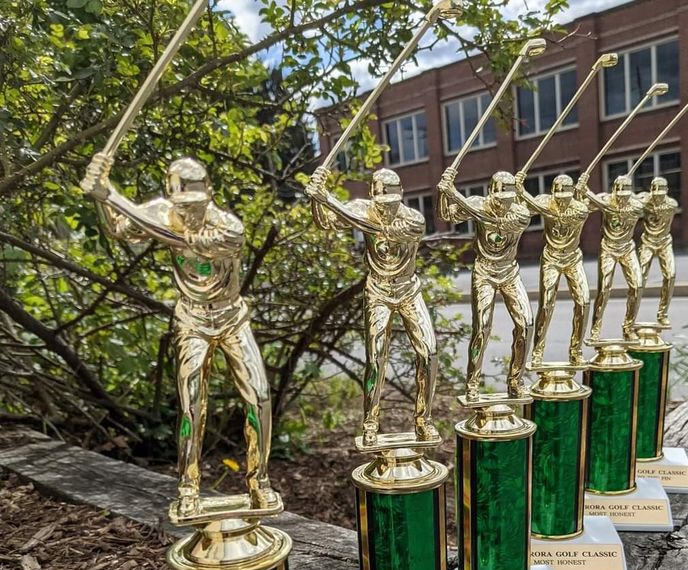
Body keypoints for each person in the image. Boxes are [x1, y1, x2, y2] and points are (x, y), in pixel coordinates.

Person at [81, 152, 278, 519]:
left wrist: (112, 195)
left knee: (260, 396)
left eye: (196, 204)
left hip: (232, 316)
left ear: (211, 194)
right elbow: (121, 229)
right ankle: (189, 486)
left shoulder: (228, 226)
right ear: (172, 199)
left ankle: (259, 482)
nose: (189, 212)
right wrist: (102, 199)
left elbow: (181, 238)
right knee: (191, 403)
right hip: (191, 319)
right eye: (182, 205)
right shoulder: (160, 211)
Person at [306, 165, 439, 446]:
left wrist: (329, 198)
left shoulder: (413, 219)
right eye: (381, 204)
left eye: (392, 203)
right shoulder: (361, 208)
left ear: (401, 196)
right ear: (372, 198)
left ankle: (423, 420)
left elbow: (377, 228)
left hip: (408, 289)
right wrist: (316, 199)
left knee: (428, 352)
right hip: (378, 290)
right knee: (375, 358)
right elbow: (326, 222)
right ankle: (370, 423)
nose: (387, 209)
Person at [438, 168, 532, 398]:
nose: (503, 204)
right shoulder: (478, 203)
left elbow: (491, 219)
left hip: (509, 272)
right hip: (484, 272)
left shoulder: (520, 213)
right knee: (482, 327)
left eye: (508, 200)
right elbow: (447, 215)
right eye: (499, 199)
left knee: (526, 325)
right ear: (490, 194)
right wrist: (443, 193)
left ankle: (515, 381)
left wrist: (454, 193)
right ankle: (472, 382)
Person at [515, 173, 593, 366]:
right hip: (551, 258)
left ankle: (576, 351)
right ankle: (537, 352)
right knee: (546, 304)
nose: (561, 202)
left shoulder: (579, 209)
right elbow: (524, 211)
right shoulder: (546, 201)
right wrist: (518, 194)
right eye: (558, 199)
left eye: (565, 198)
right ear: (552, 194)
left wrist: (522, 191)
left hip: (573, 259)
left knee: (583, 302)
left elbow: (549, 212)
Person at [585, 174, 645, 340]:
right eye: (619, 196)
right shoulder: (606, 199)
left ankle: (628, 326)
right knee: (604, 288)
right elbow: (588, 206)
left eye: (625, 196)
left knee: (637, 286)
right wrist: (583, 192)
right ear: (614, 192)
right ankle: (595, 328)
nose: (621, 199)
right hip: (608, 249)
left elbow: (610, 207)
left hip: (627, 248)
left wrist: (588, 193)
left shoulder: (635, 205)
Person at [637, 176, 678, 328]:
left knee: (670, 275)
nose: (657, 195)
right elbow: (633, 201)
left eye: (661, 192)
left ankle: (662, 314)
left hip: (664, 242)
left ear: (667, 191)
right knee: (638, 279)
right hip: (647, 242)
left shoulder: (671, 204)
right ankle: (631, 315)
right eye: (654, 191)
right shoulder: (645, 201)